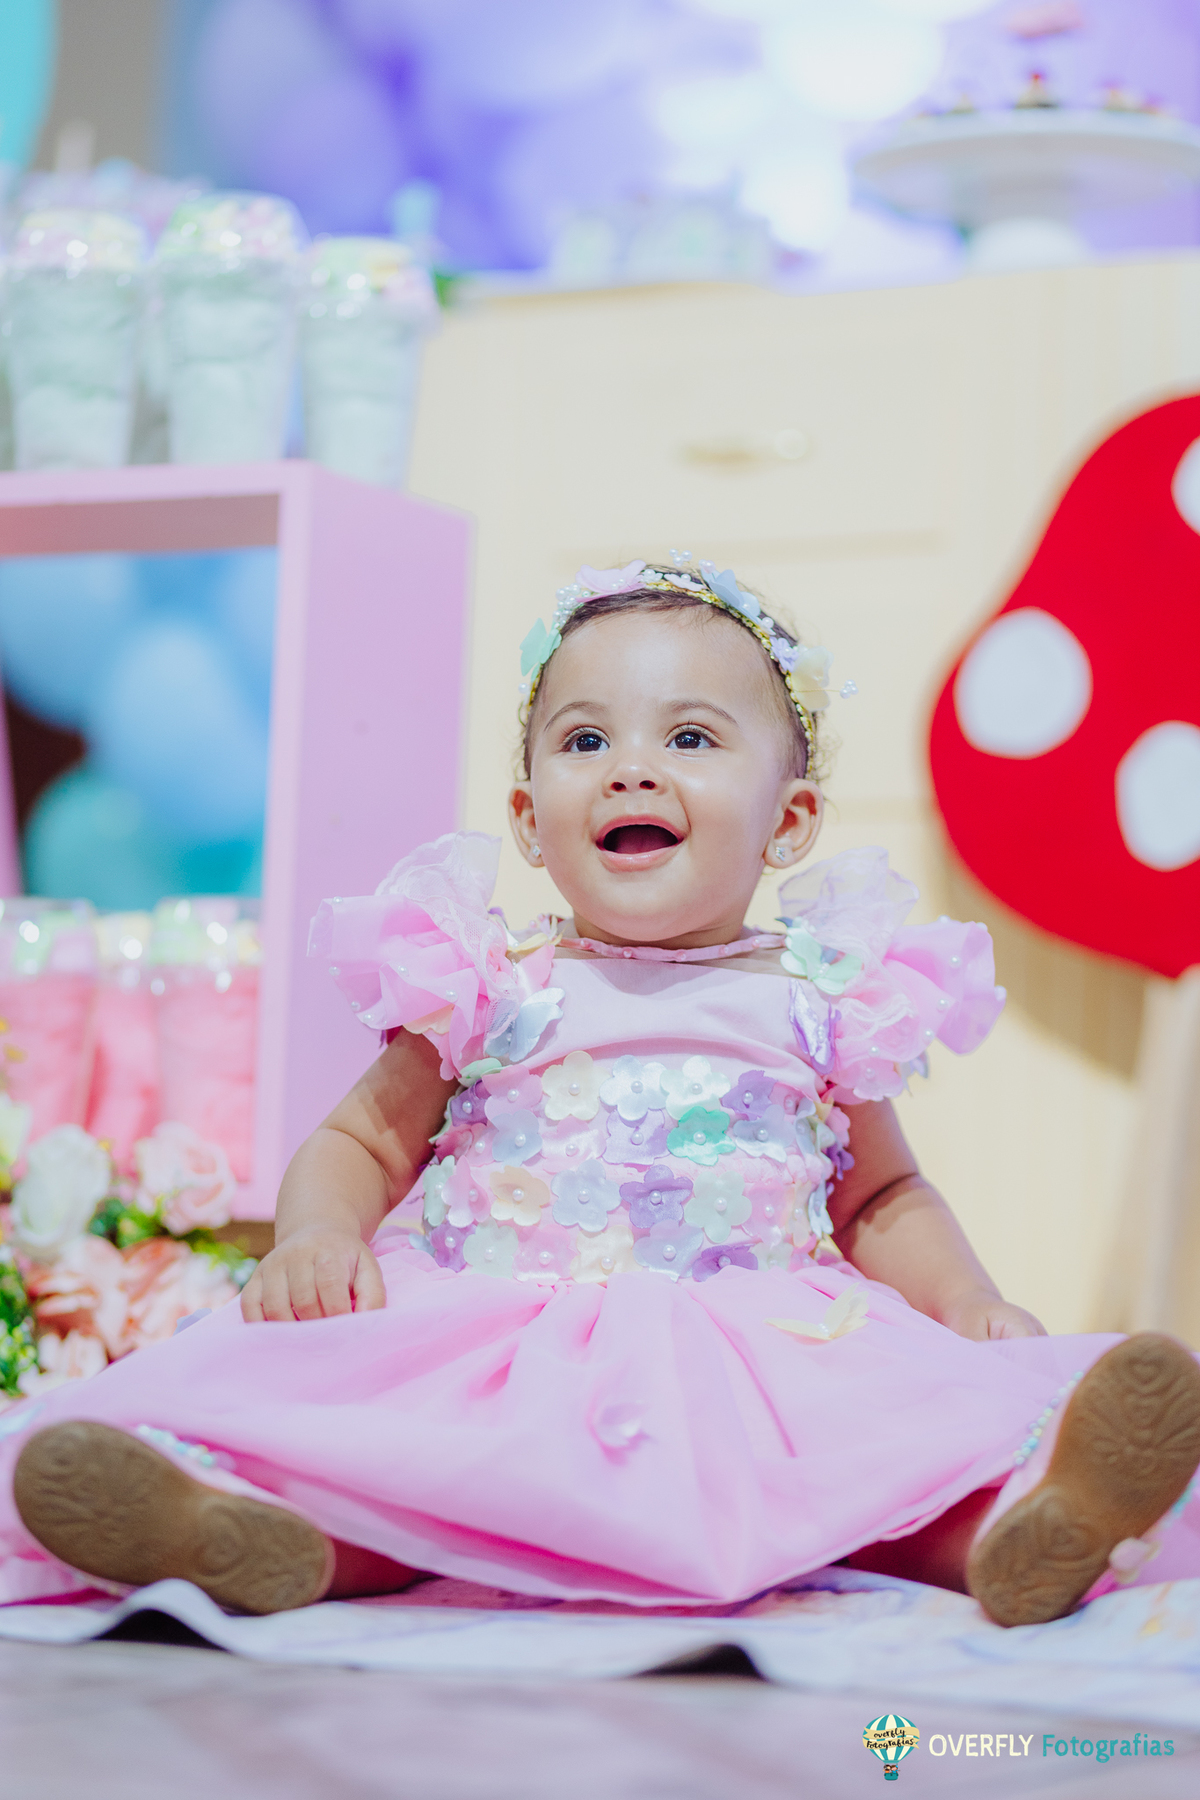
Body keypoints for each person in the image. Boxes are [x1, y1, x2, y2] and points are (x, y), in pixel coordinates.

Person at [5, 559, 1200, 1625]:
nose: (631, 766)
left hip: (757, 1348)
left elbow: (885, 1195)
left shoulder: (827, 995)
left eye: (690, 738)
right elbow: (362, 1140)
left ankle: (1016, 1524)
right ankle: (250, 1532)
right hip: (498, 1330)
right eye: (586, 741)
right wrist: (319, 1232)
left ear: (789, 821)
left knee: (871, 1471)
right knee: (393, 1466)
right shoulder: (487, 977)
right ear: (529, 819)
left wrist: (970, 1305)